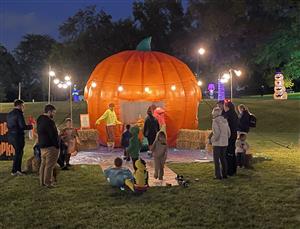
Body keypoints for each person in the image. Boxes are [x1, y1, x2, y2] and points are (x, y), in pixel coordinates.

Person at [7, 99, 33, 176]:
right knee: (19, 153)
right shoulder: (19, 113)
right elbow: (22, 126)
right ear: (19, 105)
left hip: (11, 136)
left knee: (18, 152)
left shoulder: (9, 114)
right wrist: (30, 126)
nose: (23, 107)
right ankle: (15, 170)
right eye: (23, 105)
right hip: (18, 136)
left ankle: (17, 169)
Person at [37, 104, 59, 188]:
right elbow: (53, 135)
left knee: (43, 164)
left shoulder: (39, 119)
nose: (54, 114)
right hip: (51, 146)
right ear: (49, 111)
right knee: (50, 166)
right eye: (53, 112)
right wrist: (57, 145)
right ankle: (48, 182)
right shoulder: (50, 121)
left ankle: (42, 181)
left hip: (42, 146)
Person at [210, 107, 231, 180]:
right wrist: (225, 140)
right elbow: (229, 133)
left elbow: (217, 133)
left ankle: (218, 176)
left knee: (216, 160)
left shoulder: (215, 121)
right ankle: (225, 174)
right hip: (225, 143)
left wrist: (212, 140)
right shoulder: (225, 120)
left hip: (217, 144)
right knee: (223, 158)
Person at [223, 100, 238, 176]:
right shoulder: (234, 113)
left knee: (228, 153)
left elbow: (224, 121)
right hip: (234, 134)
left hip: (229, 136)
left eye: (225, 106)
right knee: (232, 152)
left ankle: (230, 170)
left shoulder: (228, 114)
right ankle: (234, 169)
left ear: (227, 107)